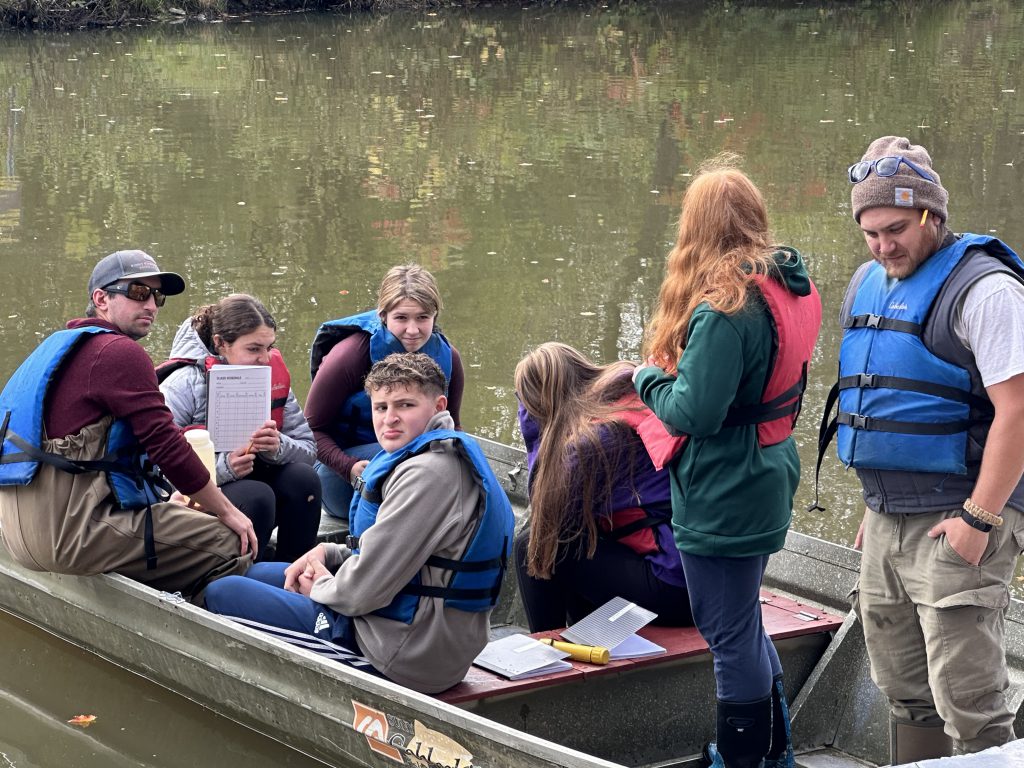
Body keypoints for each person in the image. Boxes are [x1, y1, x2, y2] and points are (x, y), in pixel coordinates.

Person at [826, 136, 1024, 762]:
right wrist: (874, 505)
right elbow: (882, 403)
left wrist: (978, 520)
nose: (884, 246)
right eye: (871, 233)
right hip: (885, 518)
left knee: (968, 700)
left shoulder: (987, 290)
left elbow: (1018, 410)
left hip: (963, 514)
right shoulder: (866, 284)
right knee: (903, 689)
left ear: (932, 216)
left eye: (896, 229)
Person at [632, 157, 821, 768]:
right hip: (769, 470)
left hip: (724, 488)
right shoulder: (792, 285)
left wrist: (645, 379)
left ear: (697, 229)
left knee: (727, 632)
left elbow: (693, 413)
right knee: (744, 620)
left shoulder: (724, 308)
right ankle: (776, 750)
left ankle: (741, 760)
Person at [205, 352, 515, 694]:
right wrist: (328, 552)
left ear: (439, 405)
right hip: (419, 632)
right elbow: (393, 553)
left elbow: (360, 592)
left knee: (223, 592)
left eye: (406, 405)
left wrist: (320, 587)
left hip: (401, 654)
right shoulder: (433, 453)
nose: (390, 419)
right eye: (381, 408)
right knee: (256, 573)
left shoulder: (428, 475)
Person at [0, 249, 256, 600]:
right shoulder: (118, 353)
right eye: (138, 292)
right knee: (230, 540)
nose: (151, 304)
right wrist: (227, 511)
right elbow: (167, 445)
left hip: (16, 536)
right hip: (67, 535)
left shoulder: (54, 350)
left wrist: (166, 497)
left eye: (157, 296)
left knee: (177, 514)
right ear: (101, 298)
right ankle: (191, 629)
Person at [513, 342, 693, 631]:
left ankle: (545, 656)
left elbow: (545, 510)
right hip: (699, 575)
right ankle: (581, 642)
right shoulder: (624, 399)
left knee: (533, 547)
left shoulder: (592, 443)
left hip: (674, 587)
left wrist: (533, 431)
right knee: (576, 534)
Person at [158, 294, 321, 562]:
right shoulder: (182, 384)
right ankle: (232, 578)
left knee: (304, 481)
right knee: (257, 496)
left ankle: (293, 571)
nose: (265, 358)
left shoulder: (271, 378)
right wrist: (225, 469)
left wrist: (278, 447)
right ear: (221, 343)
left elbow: (309, 450)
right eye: (254, 349)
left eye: (269, 347)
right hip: (197, 496)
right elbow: (157, 468)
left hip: (252, 483)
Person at [306, 264, 466, 520]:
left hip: (417, 461)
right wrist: (347, 467)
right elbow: (310, 431)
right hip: (342, 472)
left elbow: (453, 426)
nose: (412, 330)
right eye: (401, 318)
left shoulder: (449, 358)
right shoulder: (350, 356)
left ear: (435, 316)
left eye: (423, 317)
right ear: (383, 316)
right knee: (418, 457)